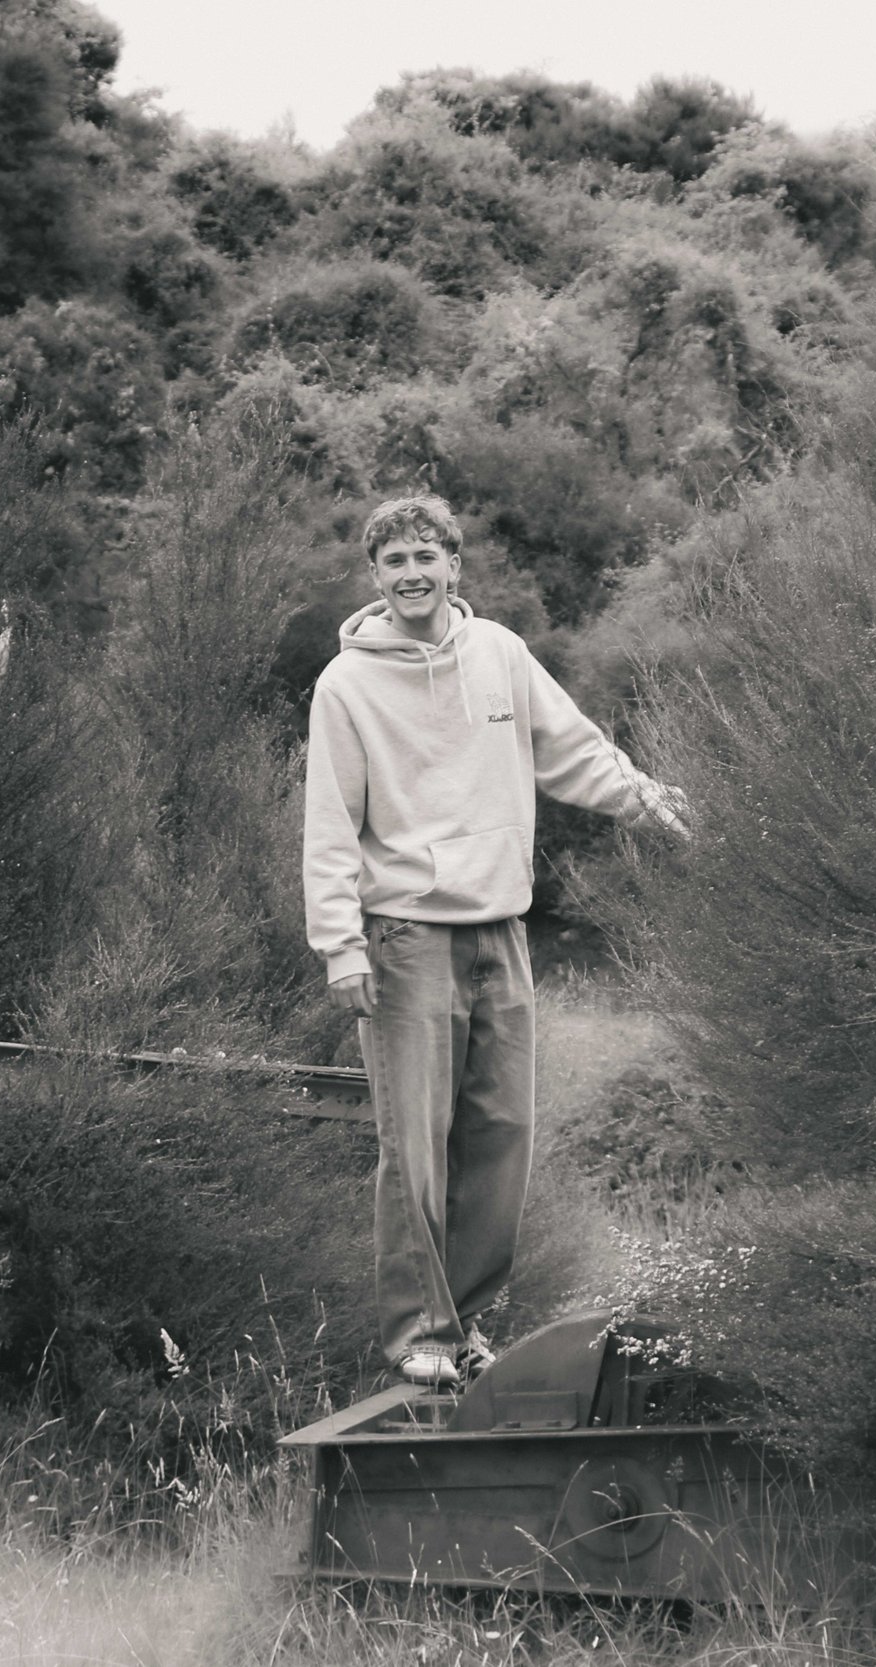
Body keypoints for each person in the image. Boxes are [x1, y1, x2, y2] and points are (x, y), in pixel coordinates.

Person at [302, 494, 688, 1388]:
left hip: (499, 930)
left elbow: (576, 752)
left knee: (502, 1135)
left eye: (425, 556)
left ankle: (462, 1324)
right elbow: (328, 828)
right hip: (404, 939)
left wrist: (654, 804)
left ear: (455, 566)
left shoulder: (502, 655)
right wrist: (341, 946)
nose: (411, 574)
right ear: (375, 577)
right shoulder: (346, 686)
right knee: (416, 1144)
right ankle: (417, 1334)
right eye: (393, 561)